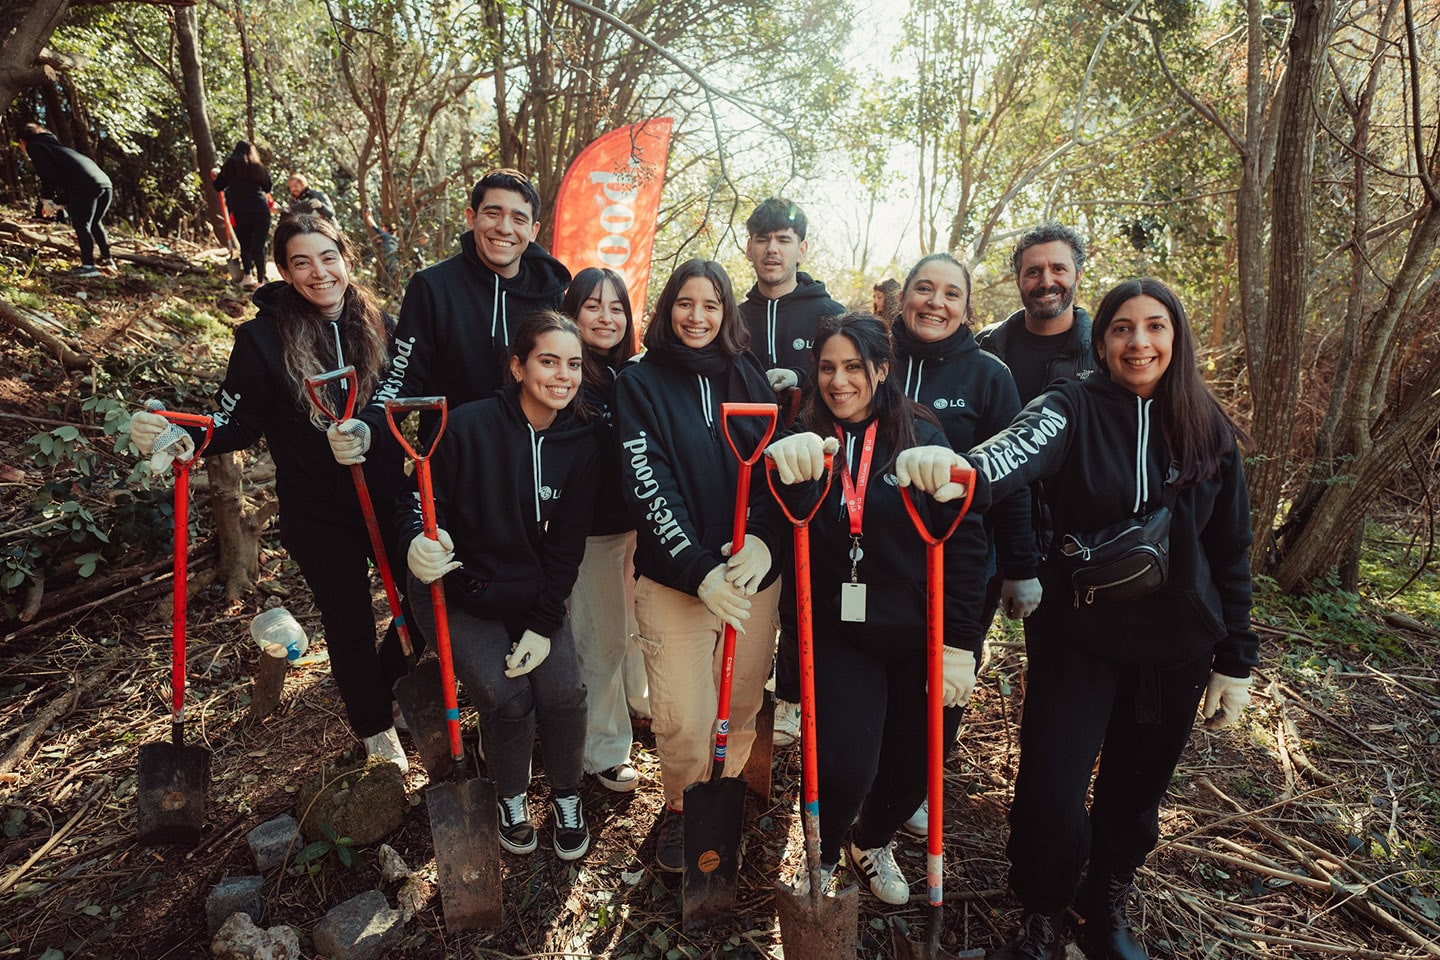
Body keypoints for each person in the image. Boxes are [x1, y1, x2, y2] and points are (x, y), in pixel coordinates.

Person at [949, 279, 1257, 960]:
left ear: (1176, 337)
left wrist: (1236, 659)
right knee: (1049, 793)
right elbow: (1013, 450)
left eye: (1155, 326)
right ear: (1101, 340)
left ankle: (1103, 904)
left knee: (1135, 791)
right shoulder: (1070, 406)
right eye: (1122, 328)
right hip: (1077, 637)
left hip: (1174, 648)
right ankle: (1041, 913)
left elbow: (1230, 548)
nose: (1138, 342)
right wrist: (961, 473)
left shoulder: (1208, 427)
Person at [125, 213, 414, 772]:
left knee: (424, 603)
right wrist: (179, 433)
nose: (319, 272)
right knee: (349, 623)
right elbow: (236, 421)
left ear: (347, 258)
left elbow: (405, 397)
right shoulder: (261, 339)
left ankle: (390, 687)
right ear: (283, 270)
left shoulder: (386, 325)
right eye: (301, 262)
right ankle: (376, 729)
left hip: (389, 500)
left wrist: (371, 430)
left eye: (328, 257)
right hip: (317, 511)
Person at [764, 313, 989, 904]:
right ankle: (825, 854)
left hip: (917, 629)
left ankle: (871, 841)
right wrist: (788, 475)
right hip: (841, 632)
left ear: (882, 370)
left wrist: (960, 642)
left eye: (854, 367)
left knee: (915, 767)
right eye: (827, 368)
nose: (839, 382)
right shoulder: (805, 435)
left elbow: (965, 539)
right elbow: (781, 522)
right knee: (843, 767)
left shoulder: (920, 434)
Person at [402, 311, 598, 860]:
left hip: (529, 592)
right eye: (548, 361)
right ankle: (512, 796)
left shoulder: (581, 443)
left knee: (564, 693)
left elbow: (566, 548)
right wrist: (417, 538)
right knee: (510, 699)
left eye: (573, 364)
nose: (562, 375)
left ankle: (566, 795)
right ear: (517, 367)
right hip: (457, 590)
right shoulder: (466, 426)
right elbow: (417, 499)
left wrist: (542, 623)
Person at [612, 259, 785, 874]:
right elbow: (646, 479)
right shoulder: (639, 382)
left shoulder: (750, 376)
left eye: (711, 304)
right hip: (676, 579)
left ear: (727, 312)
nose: (698, 316)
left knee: (739, 704)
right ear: (668, 308)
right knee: (684, 715)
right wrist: (697, 567)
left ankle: (722, 796)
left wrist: (762, 541)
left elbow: (774, 471)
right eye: (686, 303)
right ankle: (684, 806)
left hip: (749, 580)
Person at [890, 252, 1041, 835]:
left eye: (951, 293)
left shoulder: (989, 375)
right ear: (904, 297)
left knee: (944, 677)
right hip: (880, 559)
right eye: (924, 289)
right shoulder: (875, 361)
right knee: (887, 673)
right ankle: (874, 777)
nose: (936, 302)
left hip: (962, 565)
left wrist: (1021, 566)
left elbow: (1013, 480)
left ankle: (918, 784)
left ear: (966, 307)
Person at [325, 169, 571, 464]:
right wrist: (369, 427)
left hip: (532, 456)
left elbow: (570, 372)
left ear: (533, 230)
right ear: (471, 217)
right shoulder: (432, 287)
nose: (504, 228)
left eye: (519, 219)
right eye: (493, 213)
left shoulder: (550, 292)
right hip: (452, 458)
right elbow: (403, 375)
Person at [738, 196, 846, 748]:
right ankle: (739, 696)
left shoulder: (829, 313)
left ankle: (792, 699)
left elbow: (850, 384)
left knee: (803, 589)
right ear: (749, 247)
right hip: (745, 470)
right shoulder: (733, 315)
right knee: (751, 579)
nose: (772, 249)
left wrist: (802, 385)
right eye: (762, 239)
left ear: (802, 247)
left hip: (812, 471)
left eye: (783, 239)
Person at [559, 267, 647, 793]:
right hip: (589, 533)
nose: (606, 317)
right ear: (571, 313)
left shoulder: (629, 373)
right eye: (592, 306)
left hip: (635, 526)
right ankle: (602, 750)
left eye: (616, 308)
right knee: (602, 640)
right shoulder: (568, 376)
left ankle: (639, 705)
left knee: (635, 628)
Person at [975, 222, 1094, 404]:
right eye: (1033, 272)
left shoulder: (1103, 350)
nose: (1046, 282)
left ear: (1078, 276)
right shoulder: (985, 345)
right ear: (1018, 280)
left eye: (1058, 269)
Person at [17, 123, 113, 278]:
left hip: (84, 185)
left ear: (22, 141)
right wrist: (58, 202)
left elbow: (48, 177)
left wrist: (47, 199)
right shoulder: (56, 147)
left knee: (82, 224)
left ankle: (89, 267)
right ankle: (107, 260)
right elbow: (69, 177)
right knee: (95, 222)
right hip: (104, 183)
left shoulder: (35, 146)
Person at [213, 141, 274, 290]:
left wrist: (219, 175)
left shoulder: (230, 165)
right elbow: (268, 186)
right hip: (261, 210)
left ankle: (248, 276)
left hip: (241, 211)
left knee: (245, 245)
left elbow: (218, 186)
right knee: (259, 246)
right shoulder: (257, 166)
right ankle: (261, 279)